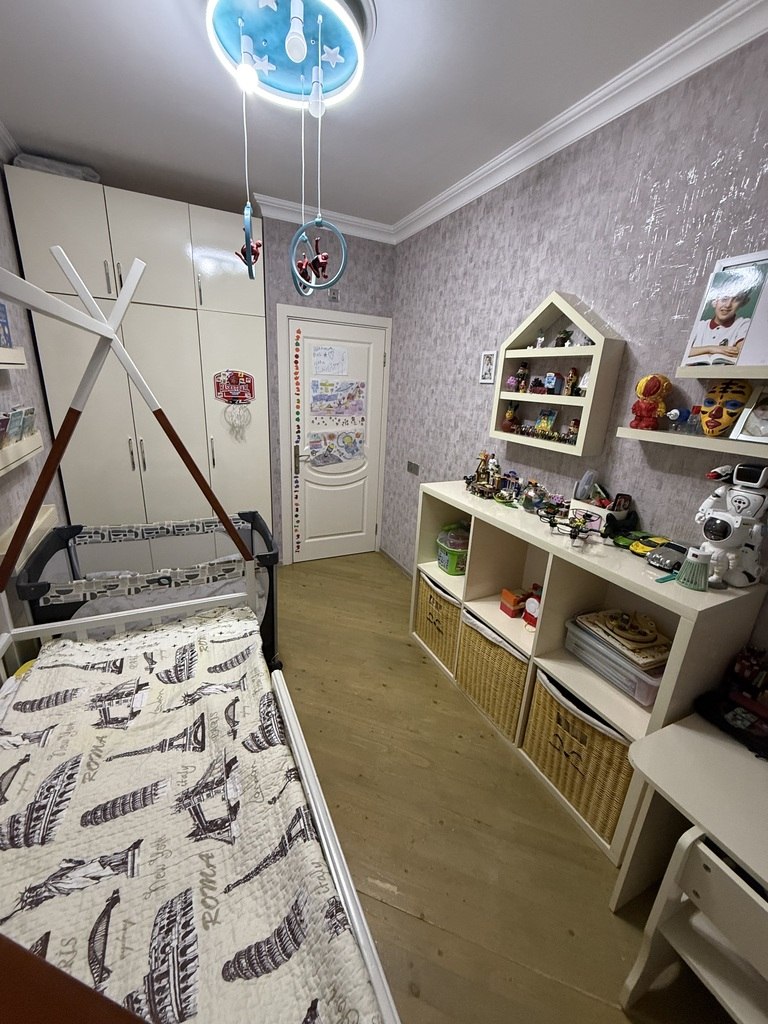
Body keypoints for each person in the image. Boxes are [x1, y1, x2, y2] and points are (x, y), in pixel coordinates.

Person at [684, 288, 753, 365]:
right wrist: (711, 349)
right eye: (724, 299)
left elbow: (741, 352)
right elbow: (681, 352)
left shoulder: (743, 324)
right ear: (715, 301)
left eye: (736, 300)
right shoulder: (699, 326)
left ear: (741, 303)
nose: (728, 305)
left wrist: (696, 351)